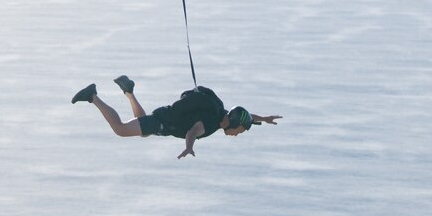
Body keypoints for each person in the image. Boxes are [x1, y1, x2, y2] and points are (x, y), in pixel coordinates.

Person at [71, 76, 282, 160]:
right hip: (162, 122)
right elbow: (193, 131)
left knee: (143, 129)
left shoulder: (220, 111)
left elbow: (245, 116)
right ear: (234, 124)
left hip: (163, 117)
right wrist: (189, 146)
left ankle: (129, 91)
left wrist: (262, 118)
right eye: (240, 131)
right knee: (121, 129)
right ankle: (92, 96)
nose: (237, 135)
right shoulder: (210, 123)